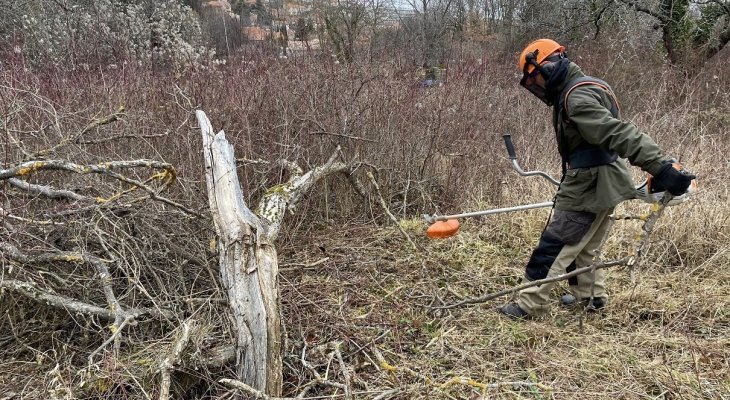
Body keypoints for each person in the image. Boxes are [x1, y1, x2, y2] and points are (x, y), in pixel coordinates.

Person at [498, 39, 696, 319]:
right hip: (605, 180)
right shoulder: (587, 85)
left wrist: (660, 168)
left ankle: (528, 305)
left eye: (535, 78)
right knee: (586, 246)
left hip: (589, 183)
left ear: (547, 66)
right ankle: (592, 297)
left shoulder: (576, 96)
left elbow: (617, 133)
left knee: (556, 244)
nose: (537, 86)